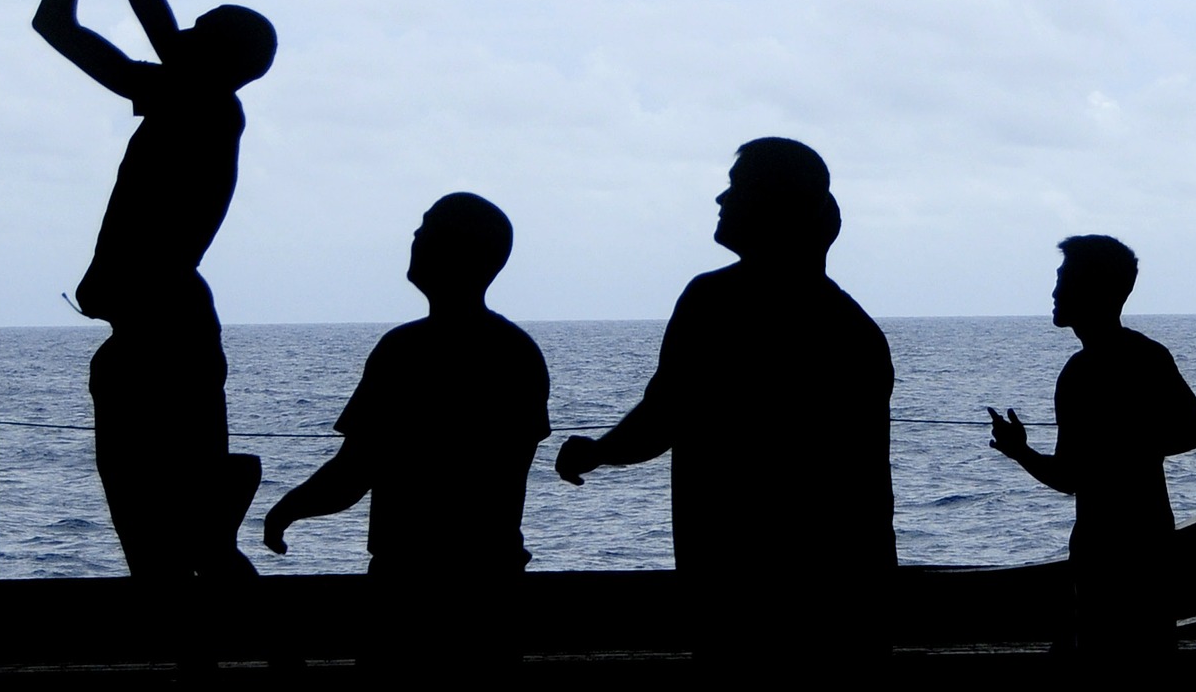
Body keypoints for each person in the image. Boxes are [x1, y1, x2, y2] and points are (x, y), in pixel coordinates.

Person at [554, 137, 895, 664]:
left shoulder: (713, 301)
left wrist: (599, 451)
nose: (721, 199)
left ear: (774, 206)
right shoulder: (852, 328)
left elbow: (664, 415)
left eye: (737, 187)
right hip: (845, 594)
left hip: (736, 589)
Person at [33, 0, 275, 579]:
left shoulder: (202, 103)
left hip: (165, 333)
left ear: (219, 56)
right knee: (177, 544)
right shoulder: (186, 98)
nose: (184, 31)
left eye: (199, 30)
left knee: (177, 544)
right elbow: (74, 14)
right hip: (160, 331)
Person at [263, 193, 549, 666]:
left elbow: (354, 472)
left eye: (429, 227)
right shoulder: (518, 352)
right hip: (492, 581)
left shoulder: (404, 351)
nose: (416, 237)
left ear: (458, 251)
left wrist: (286, 511)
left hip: (408, 583)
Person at [987, 235, 1196, 660]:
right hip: (1150, 543)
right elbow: (1195, 431)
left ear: (1094, 289)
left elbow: (1069, 477)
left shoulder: (1081, 373)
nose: (1054, 292)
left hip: (1103, 550)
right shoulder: (1148, 355)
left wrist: (1021, 452)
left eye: (1064, 279)